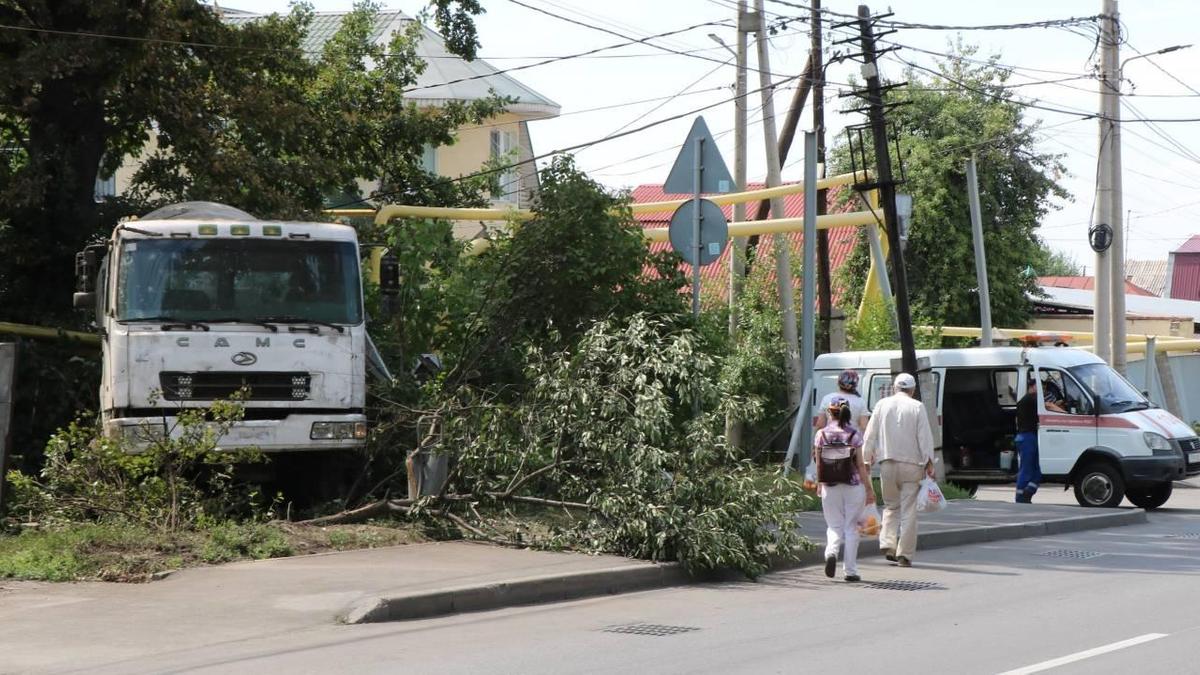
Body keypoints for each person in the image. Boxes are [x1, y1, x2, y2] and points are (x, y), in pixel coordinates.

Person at [862, 373, 935, 568]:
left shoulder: (882, 405)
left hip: (888, 464)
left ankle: (887, 543)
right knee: (909, 510)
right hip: (912, 465)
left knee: (891, 505)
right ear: (912, 390)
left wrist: (865, 458)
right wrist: (929, 462)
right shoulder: (917, 407)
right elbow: (924, 437)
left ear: (894, 387)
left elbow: (870, 434)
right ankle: (905, 554)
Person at [814, 396, 874, 583]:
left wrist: (819, 483)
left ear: (829, 412)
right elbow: (861, 466)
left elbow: (818, 463)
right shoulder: (854, 435)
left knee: (834, 525)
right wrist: (869, 489)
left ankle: (831, 552)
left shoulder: (821, 435)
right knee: (851, 527)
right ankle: (850, 571)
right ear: (848, 412)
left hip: (829, 486)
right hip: (853, 486)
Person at [1015, 376, 1065, 503]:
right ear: (1032, 387)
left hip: (1030, 436)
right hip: (1027, 438)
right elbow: (1048, 405)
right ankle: (1020, 498)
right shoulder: (1031, 398)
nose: (1042, 391)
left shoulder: (1027, 400)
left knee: (1037, 471)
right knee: (1027, 469)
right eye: (1040, 388)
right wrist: (1065, 414)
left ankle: (1027, 494)